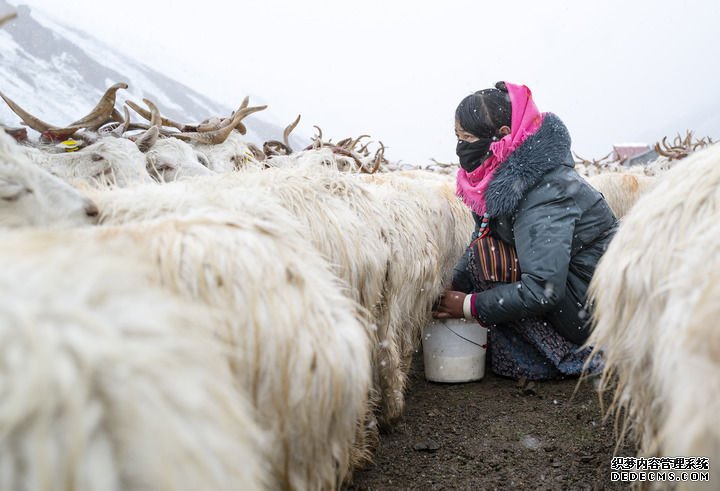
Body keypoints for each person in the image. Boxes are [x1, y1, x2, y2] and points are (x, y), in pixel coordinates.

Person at [432, 81, 617, 381]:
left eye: (467, 138)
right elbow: (481, 239)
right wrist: (449, 286)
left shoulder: (545, 191)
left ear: (502, 136)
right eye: (457, 137)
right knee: (485, 255)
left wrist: (466, 305)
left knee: (491, 259)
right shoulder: (505, 181)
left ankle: (560, 353)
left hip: (592, 309)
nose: (460, 149)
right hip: (574, 292)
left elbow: (544, 289)